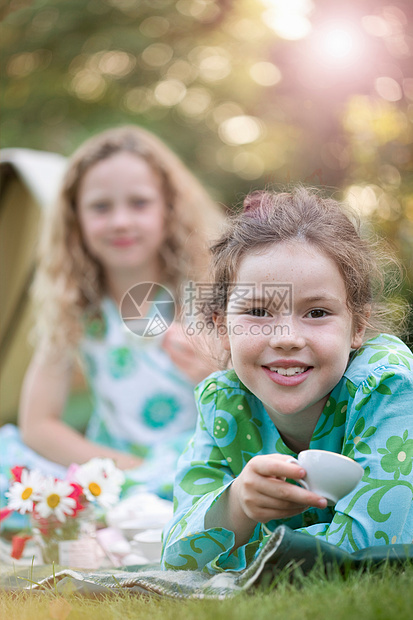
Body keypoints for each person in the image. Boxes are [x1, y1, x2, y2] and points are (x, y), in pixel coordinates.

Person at [161, 186, 413, 574]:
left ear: (357, 326)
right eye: (258, 311)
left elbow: (374, 551)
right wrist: (237, 505)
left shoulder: (385, 385)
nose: (286, 338)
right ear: (223, 328)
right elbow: (177, 558)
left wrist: (247, 557)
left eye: (316, 312)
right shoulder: (224, 402)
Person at [0, 125, 223, 518]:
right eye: (101, 207)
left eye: (139, 203)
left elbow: (257, 404)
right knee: (7, 455)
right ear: (75, 220)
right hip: (113, 468)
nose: (120, 221)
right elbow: (38, 425)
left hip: (198, 463)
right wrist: (121, 470)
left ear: (169, 209)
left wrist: (215, 372)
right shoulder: (76, 308)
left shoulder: (200, 294)